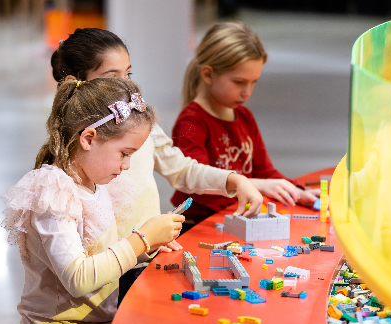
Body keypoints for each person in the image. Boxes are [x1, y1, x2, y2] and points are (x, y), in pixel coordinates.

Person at [51, 28, 264, 304]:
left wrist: (233, 180)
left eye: (128, 74)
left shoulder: (141, 126)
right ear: (76, 83)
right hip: (109, 272)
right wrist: (140, 241)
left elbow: (182, 169)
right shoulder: (74, 155)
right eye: (112, 76)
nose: (126, 85)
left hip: (147, 257)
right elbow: (79, 264)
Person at [2, 77, 185, 324]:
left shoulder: (95, 182)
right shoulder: (54, 191)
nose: (127, 166)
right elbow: (78, 278)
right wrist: (141, 239)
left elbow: (99, 253)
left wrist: (146, 249)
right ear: (88, 139)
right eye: (124, 154)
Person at [171, 22, 320, 226]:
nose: (247, 92)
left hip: (237, 218)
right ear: (207, 74)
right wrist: (253, 185)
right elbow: (200, 185)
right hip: (198, 224)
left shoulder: (245, 116)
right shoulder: (190, 123)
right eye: (239, 82)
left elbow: (265, 172)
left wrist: (297, 191)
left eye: (253, 82)